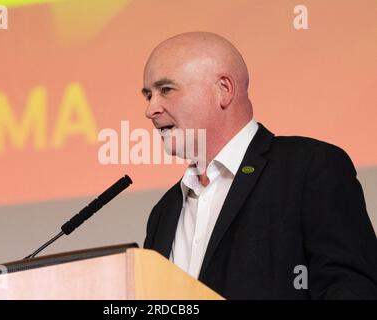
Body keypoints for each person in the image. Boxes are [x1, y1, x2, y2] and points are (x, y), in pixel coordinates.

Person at [141, 31, 377, 299]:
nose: (151, 109)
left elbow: (351, 288)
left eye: (166, 90)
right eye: (148, 95)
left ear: (223, 90)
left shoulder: (309, 168)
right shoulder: (164, 211)